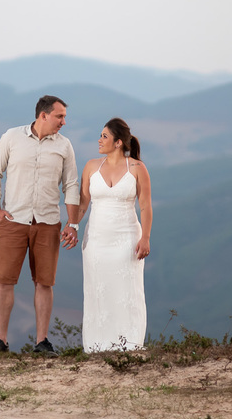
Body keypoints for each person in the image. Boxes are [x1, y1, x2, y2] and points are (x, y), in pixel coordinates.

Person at [0, 95, 81, 355]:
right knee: (4, 281)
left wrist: (73, 224)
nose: (64, 122)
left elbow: (71, 184)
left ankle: (42, 342)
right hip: (13, 220)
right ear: (43, 115)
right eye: (60, 116)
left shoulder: (64, 146)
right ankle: (0, 340)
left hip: (48, 222)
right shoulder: (11, 137)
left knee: (44, 282)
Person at [79, 117, 151, 352]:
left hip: (126, 238)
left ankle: (129, 345)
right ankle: (97, 346)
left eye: (104, 136)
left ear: (118, 142)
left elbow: (146, 206)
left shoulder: (137, 168)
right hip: (96, 240)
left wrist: (145, 237)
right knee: (97, 291)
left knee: (126, 291)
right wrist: (72, 225)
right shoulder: (91, 166)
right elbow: (82, 204)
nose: (99, 140)